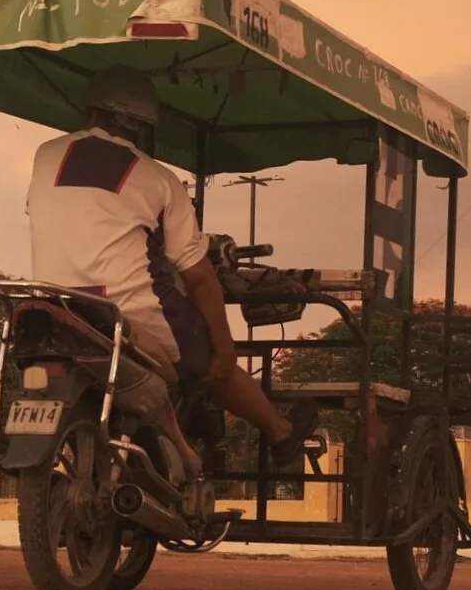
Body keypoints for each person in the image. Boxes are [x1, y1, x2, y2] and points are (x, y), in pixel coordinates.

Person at [24, 67, 315, 476]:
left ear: (91, 113)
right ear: (141, 126)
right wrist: (227, 349)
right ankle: (281, 432)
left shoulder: (45, 155)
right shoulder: (159, 178)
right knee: (211, 358)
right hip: (126, 313)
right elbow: (197, 276)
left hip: (58, 307)